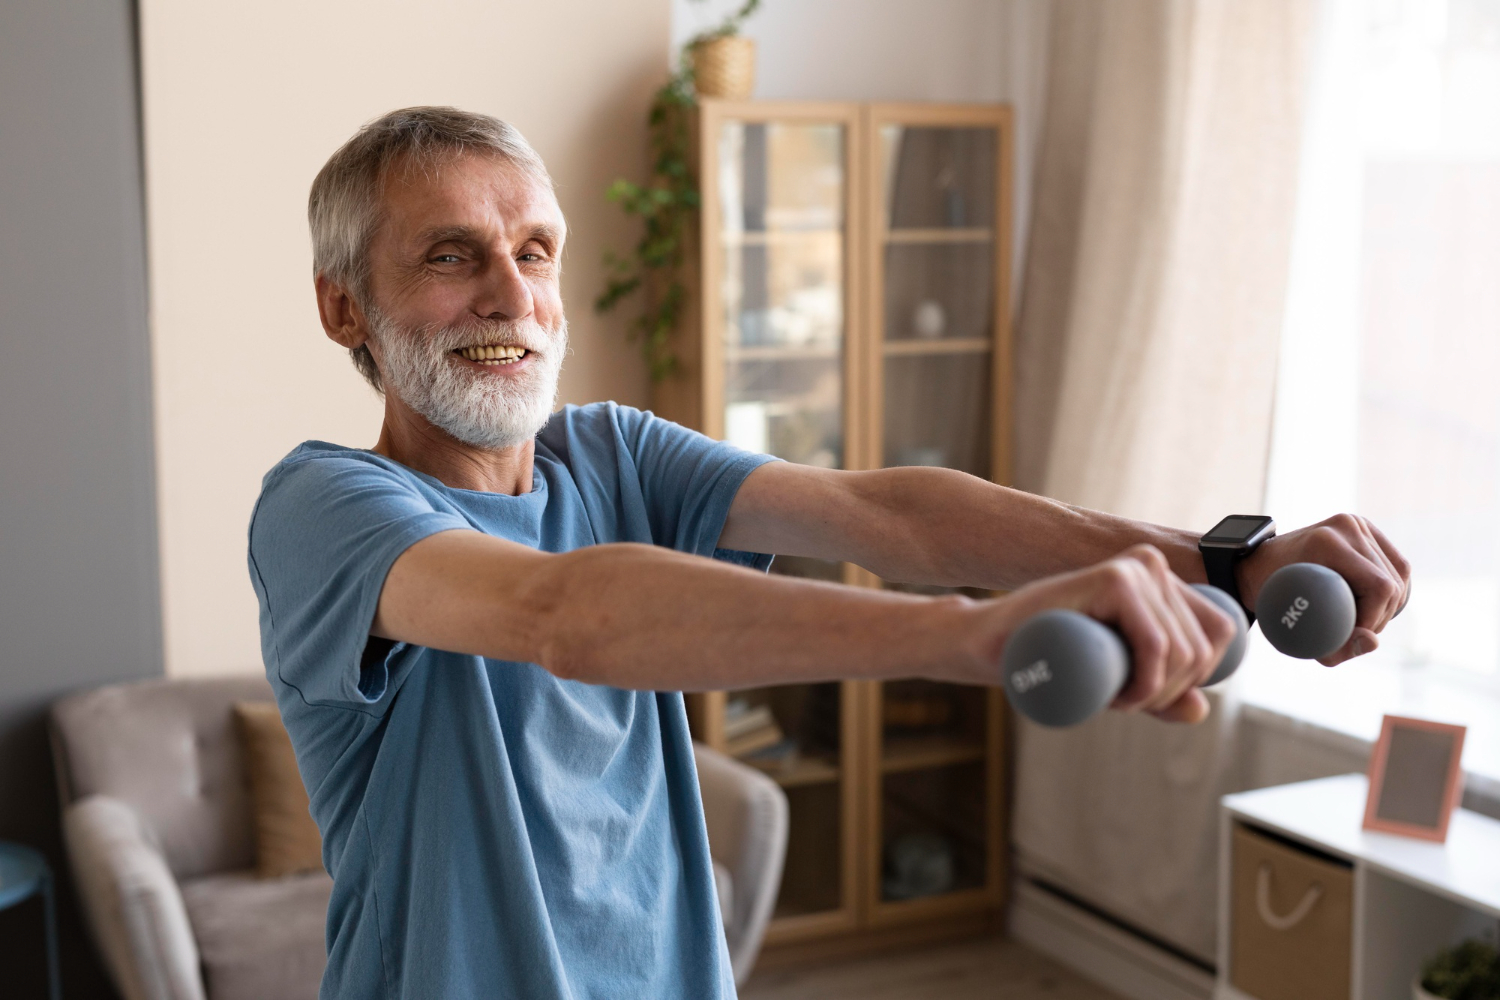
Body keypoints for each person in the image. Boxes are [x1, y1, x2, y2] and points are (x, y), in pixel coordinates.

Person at [248, 106, 1410, 999]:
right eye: (454, 256)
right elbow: (564, 614)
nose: (514, 294)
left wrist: (1220, 560)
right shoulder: (326, 506)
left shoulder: (610, 455)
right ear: (345, 307)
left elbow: (890, 514)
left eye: (537, 252)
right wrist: (967, 637)